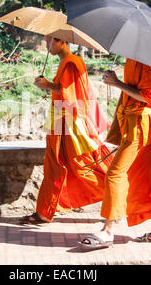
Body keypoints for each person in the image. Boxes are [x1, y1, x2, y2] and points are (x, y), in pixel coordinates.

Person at [79, 58, 151, 247]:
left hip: (141, 125)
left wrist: (117, 83)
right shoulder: (133, 59)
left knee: (114, 174)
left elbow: (149, 98)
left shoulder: (146, 62)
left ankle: (108, 231)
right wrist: (116, 82)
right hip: (134, 123)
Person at [22, 36, 113, 224]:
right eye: (47, 42)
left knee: (83, 164)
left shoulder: (72, 62)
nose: (47, 46)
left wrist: (48, 85)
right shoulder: (66, 62)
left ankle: (119, 194)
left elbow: (71, 94)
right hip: (59, 118)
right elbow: (64, 90)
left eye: (50, 42)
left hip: (71, 121)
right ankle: (44, 212)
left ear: (62, 42)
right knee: (53, 165)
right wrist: (49, 86)